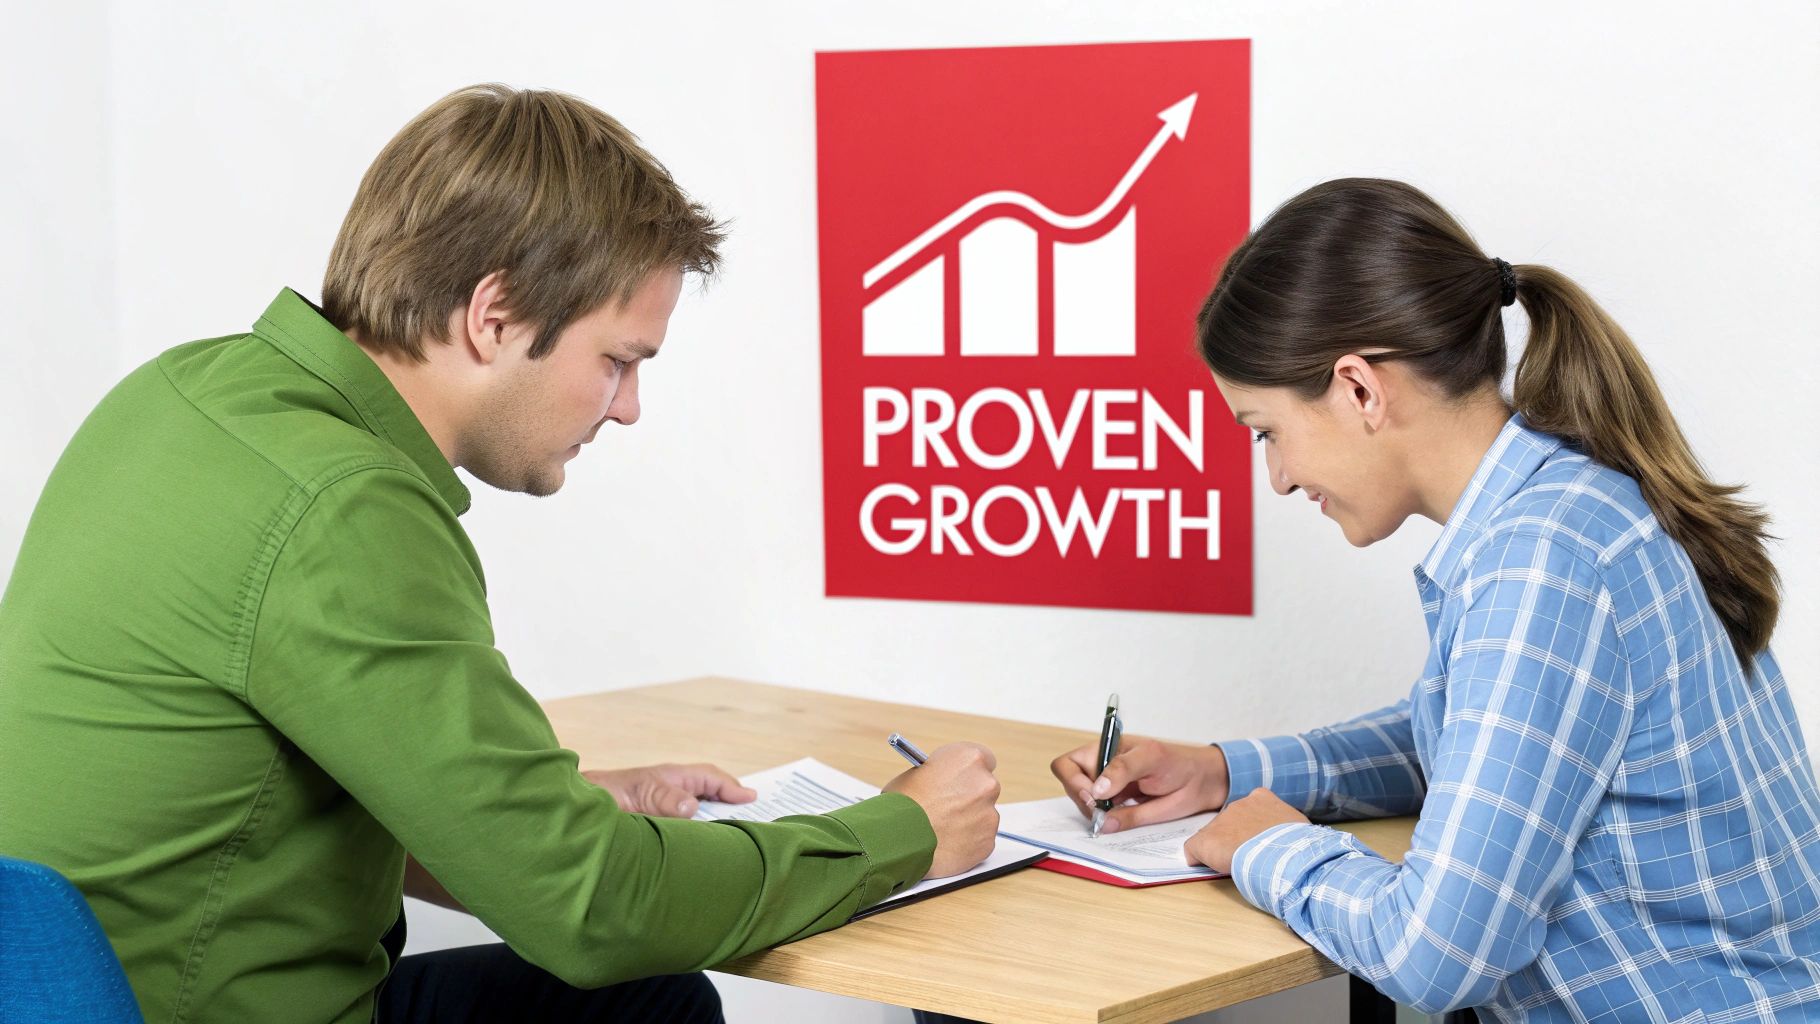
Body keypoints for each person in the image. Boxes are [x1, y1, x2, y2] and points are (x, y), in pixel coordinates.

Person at [0, 84, 1001, 1024]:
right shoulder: (346, 510)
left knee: (645, 1003)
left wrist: (563, 802)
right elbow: (591, 909)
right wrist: (901, 833)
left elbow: (259, 785)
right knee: (641, 989)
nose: (628, 407)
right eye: (616, 360)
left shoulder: (185, 396)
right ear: (495, 316)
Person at [1051, 178, 1820, 1021]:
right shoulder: (1572, 502)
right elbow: (1472, 741)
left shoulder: (1541, 561)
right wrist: (1223, 772)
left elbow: (1434, 957)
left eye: (1266, 431)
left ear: (1359, 388)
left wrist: (1268, 846)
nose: (1276, 477)